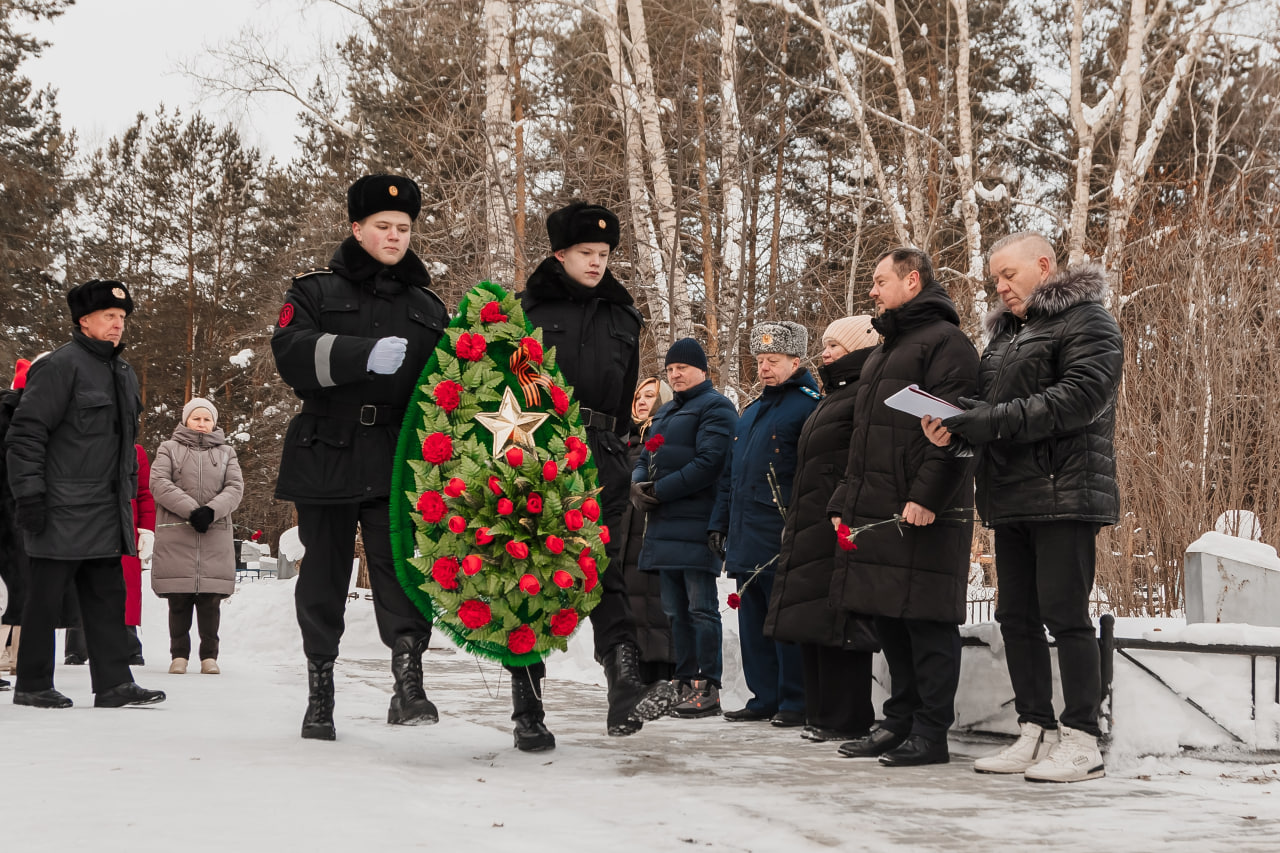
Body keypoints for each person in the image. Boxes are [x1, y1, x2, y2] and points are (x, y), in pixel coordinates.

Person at [923, 233, 1122, 782]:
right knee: (1015, 617)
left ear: (1044, 265)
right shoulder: (1006, 337)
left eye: (1009, 275)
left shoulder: (1089, 321)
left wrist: (985, 420)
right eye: (995, 279)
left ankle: (1082, 739)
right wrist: (955, 425)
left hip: (1065, 492)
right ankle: (1035, 730)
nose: (1001, 287)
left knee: (1066, 615)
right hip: (1009, 493)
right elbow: (996, 412)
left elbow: (1079, 399)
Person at [272, 173, 449, 740]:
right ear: (356, 228)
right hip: (327, 447)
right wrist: (361, 355)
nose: (395, 236)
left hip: (396, 453)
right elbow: (289, 352)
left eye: (403, 228)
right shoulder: (316, 291)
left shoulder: (427, 306)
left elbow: (448, 385)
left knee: (400, 569)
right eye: (383, 226)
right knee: (323, 574)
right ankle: (320, 693)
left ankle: (409, 682)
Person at [513, 201, 678, 749]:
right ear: (560, 253)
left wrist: (621, 451)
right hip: (538, 452)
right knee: (532, 574)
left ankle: (624, 687)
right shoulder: (524, 312)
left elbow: (626, 395)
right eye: (586, 252)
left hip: (602, 455)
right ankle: (528, 708)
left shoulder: (624, 318)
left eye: (604, 254)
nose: (596, 262)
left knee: (602, 570)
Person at [828, 248, 977, 767]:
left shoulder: (948, 343)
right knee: (890, 619)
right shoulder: (884, 351)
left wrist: (927, 495)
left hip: (923, 510)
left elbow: (954, 428)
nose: (872, 290)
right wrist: (844, 500)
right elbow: (862, 439)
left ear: (912, 281)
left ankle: (931, 732)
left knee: (927, 624)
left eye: (879, 280)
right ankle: (897, 722)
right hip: (878, 507)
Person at [4, 279, 165, 709]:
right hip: (59, 509)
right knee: (44, 599)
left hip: (108, 511)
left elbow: (124, 447)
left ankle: (114, 684)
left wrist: (130, 509)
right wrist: (29, 497)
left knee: (108, 597)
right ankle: (32, 684)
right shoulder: (60, 366)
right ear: (84, 321)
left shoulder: (123, 373)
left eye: (122, 317)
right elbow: (25, 435)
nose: (117, 324)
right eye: (109, 316)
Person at [765, 315, 881, 742]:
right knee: (813, 620)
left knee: (840, 623)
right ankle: (820, 713)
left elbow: (861, 458)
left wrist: (842, 506)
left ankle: (845, 716)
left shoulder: (862, 394)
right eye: (826, 345)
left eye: (835, 346)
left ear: (859, 350)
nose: (825, 353)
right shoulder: (834, 397)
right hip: (811, 520)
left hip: (839, 521)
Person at [709, 321, 820, 727]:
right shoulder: (751, 412)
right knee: (752, 619)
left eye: (773, 360)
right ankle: (764, 696)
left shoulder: (808, 407)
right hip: (745, 530)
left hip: (780, 530)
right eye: (759, 360)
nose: (764, 368)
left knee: (784, 618)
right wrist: (719, 523)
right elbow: (731, 475)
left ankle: (794, 699)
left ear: (796, 360)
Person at [632, 338, 738, 718]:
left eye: (683, 368)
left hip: (698, 523)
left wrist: (659, 491)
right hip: (664, 525)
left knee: (701, 609)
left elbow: (710, 463)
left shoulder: (716, 408)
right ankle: (683, 680)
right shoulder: (665, 414)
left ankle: (707, 686)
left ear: (702, 370)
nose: (675, 374)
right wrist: (638, 484)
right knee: (674, 611)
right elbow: (646, 455)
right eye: (670, 369)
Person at [151, 397, 244, 676]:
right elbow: (159, 483)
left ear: (214, 423)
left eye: (207, 419)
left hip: (214, 534)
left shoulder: (227, 453)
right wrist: (192, 511)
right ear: (186, 420)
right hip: (177, 533)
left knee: (210, 601)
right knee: (178, 600)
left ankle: (209, 657)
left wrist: (211, 511)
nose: (201, 424)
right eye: (196, 418)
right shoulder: (169, 448)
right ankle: (178, 655)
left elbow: (235, 487)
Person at [65, 443, 154, 667]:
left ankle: (129, 645)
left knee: (126, 587)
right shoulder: (80, 445)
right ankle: (77, 645)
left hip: (125, 527)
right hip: (86, 522)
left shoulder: (135, 451)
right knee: (83, 581)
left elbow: (144, 493)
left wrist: (147, 529)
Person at [618, 376, 676, 685]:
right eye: (638, 396)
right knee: (630, 613)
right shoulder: (623, 441)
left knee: (657, 613)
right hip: (625, 543)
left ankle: (662, 678)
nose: (641, 401)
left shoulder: (668, 438)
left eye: (650, 396)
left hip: (655, 538)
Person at [0, 357, 35, 684]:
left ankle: (13, 654)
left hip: (18, 511)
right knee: (19, 585)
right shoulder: (18, 415)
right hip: (15, 511)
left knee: (20, 586)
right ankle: (10, 655)